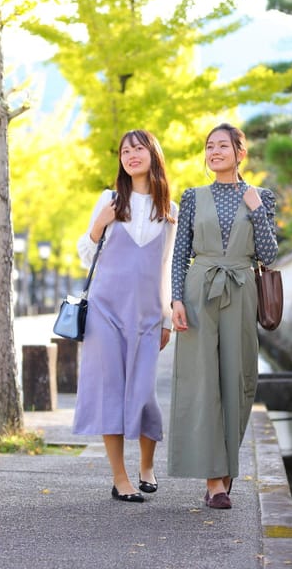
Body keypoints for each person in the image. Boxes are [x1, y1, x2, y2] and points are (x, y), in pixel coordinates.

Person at [168, 123, 278, 509]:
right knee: (201, 382)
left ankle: (227, 467)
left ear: (240, 152)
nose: (214, 152)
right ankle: (214, 480)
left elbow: (269, 255)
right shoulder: (192, 197)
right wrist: (176, 299)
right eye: (209, 146)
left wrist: (257, 211)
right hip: (200, 290)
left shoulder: (260, 196)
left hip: (242, 290)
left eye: (222, 146)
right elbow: (181, 253)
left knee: (238, 379)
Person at [73, 129, 178, 504]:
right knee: (110, 393)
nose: (131, 155)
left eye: (138, 149)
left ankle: (146, 465)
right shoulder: (110, 198)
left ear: (153, 154)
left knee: (145, 393)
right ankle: (121, 479)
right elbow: (86, 254)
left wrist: (166, 318)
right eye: (124, 150)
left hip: (149, 315)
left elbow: (166, 268)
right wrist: (100, 222)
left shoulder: (170, 211)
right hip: (105, 311)